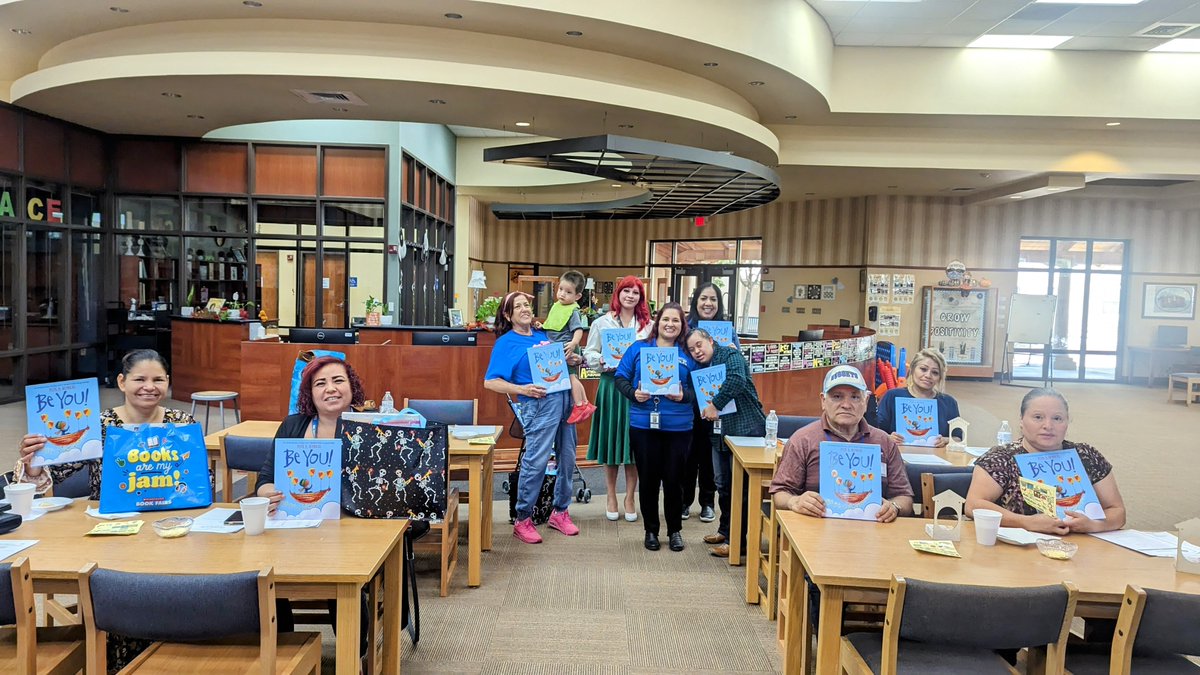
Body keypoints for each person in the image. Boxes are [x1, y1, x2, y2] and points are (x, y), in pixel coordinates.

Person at [16, 349, 197, 675]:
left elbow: (198, 481)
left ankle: (175, 658)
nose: (149, 387)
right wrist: (34, 462)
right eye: (140, 379)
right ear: (122, 382)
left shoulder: (183, 423)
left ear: (168, 383)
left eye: (158, 379)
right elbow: (54, 472)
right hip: (112, 534)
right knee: (118, 591)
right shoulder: (98, 425)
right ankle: (117, 663)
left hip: (169, 532)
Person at [484, 291, 581, 544]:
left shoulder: (543, 335)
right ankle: (523, 518)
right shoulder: (506, 343)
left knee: (568, 459)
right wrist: (522, 389)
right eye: (518, 307)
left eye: (526, 304)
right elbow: (490, 382)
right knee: (536, 462)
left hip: (564, 400)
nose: (525, 309)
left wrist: (572, 359)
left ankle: (560, 512)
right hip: (537, 406)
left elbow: (554, 366)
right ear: (508, 315)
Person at [966, 388, 1126, 535]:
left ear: (1067, 422)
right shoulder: (1001, 458)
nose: (1048, 426)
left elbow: (1117, 511)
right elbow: (973, 505)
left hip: (1082, 546)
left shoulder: (1086, 455)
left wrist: (1093, 525)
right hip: (1020, 547)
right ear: (1021, 420)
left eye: (1057, 418)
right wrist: (1026, 522)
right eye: (1038, 417)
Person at [770, 365, 914, 521]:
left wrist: (894, 507)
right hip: (815, 527)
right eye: (837, 397)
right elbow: (780, 492)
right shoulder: (803, 440)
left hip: (874, 530)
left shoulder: (884, 442)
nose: (846, 404)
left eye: (855, 397)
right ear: (823, 401)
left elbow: (904, 497)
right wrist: (795, 501)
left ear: (866, 401)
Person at [614, 302, 696, 552]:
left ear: (682, 325)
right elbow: (620, 378)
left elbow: (700, 390)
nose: (670, 324)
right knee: (648, 480)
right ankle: (651, 530)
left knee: (674, 480)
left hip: (679, 427)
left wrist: (684, 396)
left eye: (676, 320)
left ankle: (674, 531)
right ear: (657, 323)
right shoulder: (639, 348)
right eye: (666, 319)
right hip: (643, 424)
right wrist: (634, 393)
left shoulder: (688, 353)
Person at [685, 326, 765, 557]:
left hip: (745, 430)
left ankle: (737, 542)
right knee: (723, 485)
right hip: (720, 434)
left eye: (699, 345)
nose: (697, 351)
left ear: (710, 340)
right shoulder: (702, 368)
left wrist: (715, 404)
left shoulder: (730, 355)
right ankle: (725, 530)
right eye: (691, 350)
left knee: (741, 488)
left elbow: (736, 380)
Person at [256, 355, 366, 514]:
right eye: (320, 383)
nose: (330, 388)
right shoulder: (292, 426)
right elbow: (265, 480)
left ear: (352, 386)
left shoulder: (372, 425)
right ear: (310, 393)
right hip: (304, 517)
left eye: (338, 381)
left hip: (360, 521)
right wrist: (271, 496)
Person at [583, 275, 652, 522]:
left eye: (635, 292)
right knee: (612, 442)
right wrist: (600, 361)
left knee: (634, 446)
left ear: (640, 297)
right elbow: (589, 352)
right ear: (618, 294)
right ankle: (611, 496)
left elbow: (655, 354)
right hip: (611, 387)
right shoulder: (601, 322)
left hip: (637, 390)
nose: (630, 296)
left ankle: (630, 497)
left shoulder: (648, 325)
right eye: (626, 291)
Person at [681, 282, 736, 523]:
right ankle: (684, 501)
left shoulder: (727, 329)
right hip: (689, 400)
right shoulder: (686, 327)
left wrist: (733, 351)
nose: (708, 303)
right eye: (704, 298)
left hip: (717, 402)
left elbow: (737, 365)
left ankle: (707, 502)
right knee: (687, 453)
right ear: (696, 301)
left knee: (710, 454)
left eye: (713, 299)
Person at [540, 269, 596, 424]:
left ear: (577, 296)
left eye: (568, 292)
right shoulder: (557, 306)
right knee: (572, 376)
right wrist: (541, 325)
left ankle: (579, 405)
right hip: (558, 347)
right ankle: (585, 403)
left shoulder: (573, 311)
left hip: (566, 347)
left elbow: (578, 330)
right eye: (561, 289)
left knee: (571, 377)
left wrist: (573, 343)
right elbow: (551, 325)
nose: (562, 294)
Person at [875, 348, 960, 447]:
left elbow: (959, 438)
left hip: (936, 455)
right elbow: (875, 432)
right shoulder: (892, 396)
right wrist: (888, 438)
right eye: (923, 369)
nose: (928, 375)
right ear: (912, 369)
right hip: (898, 454)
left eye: (935, 373)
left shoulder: (949, 403)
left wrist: (946, 440)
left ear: (940, 377)